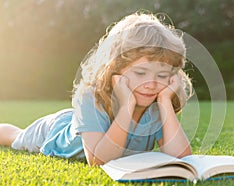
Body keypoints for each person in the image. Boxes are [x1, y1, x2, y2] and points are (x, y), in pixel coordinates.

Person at [0, 11, 193, 166]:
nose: (151, 84)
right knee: (14, 136)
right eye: (140, 73)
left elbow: (182, 157)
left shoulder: (156, 103)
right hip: (55, 132)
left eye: (161, 76)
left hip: (80, 121)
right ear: (115, 68)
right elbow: (99, 160)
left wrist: (166, 101)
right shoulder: (91, 98)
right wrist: (127, 106)